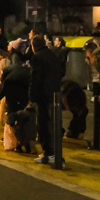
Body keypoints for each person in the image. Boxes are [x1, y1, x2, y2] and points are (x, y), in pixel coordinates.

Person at [29, 34, 64, 163]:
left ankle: (48, 153)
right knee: (53, 123)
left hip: (43, 95)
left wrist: (32, 95)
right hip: (54, 93)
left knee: (43, 124)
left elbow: (35, 78)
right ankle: (55, 152)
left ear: (33, 46)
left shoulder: (37, 57)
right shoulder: (52, 54)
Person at [0, 50, 33, 152]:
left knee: (13, 119)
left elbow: (3, 89)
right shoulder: (25, 70)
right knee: (23, 119)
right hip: (23, 97)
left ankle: (18, 144)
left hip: (15, 96)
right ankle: (25, 144)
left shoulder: (9, 74)